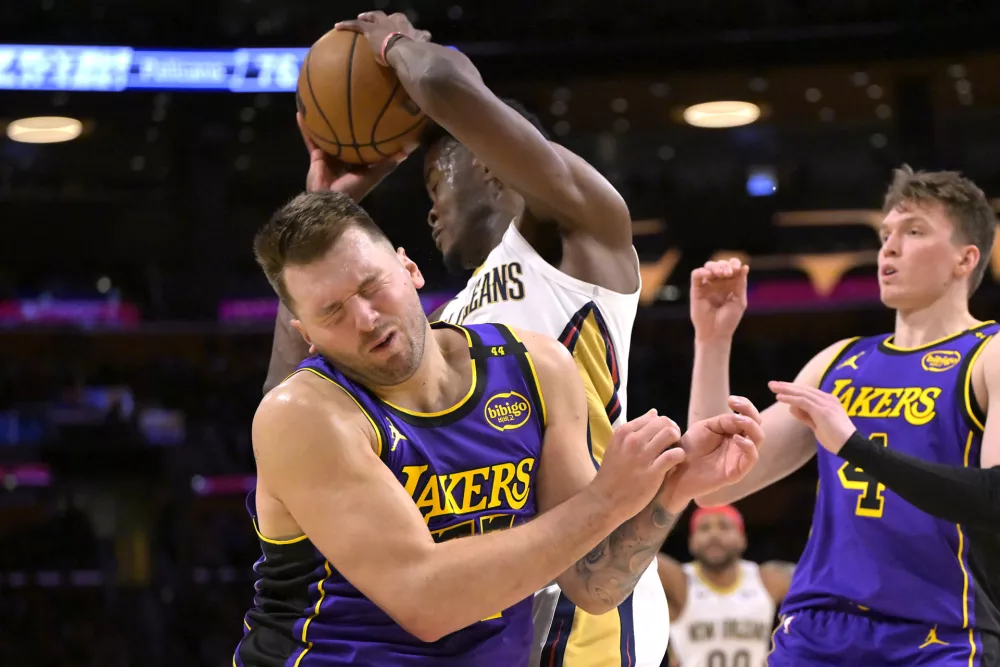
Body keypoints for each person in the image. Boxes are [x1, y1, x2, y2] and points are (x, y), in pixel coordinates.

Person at [264, 11, 666, 667]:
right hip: (483, 581)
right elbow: (292, 412)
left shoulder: (577, 235)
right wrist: (322, 211)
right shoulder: (448, 321)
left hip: (583, 576)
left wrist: (399, 45)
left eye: (432, 182)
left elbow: (452, 93)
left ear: (487, 163)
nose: (428, 209)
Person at [237, 190, 765, 667]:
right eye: (333, 313)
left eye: (372, 287)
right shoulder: (305, 415)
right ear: (306, 335)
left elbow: (593, 582)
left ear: (410, 268)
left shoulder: (535, 366)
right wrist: (607, 498)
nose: (367, 319)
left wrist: (669, 489)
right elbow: (427, 600)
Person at [687, 166, 1000, 666]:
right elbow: (712, 484)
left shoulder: (988, 355)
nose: (889, 248)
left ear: (966, 258)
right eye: (885, 235)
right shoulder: (839, 362)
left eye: (914, 231)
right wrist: (712, 340)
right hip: (817, 628)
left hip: (939, 633)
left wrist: (855, 445)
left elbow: (993, 500)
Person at [657, 505, 794, 667]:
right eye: (704, 528)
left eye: (725, 526)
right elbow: (635, 554)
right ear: (691, 542)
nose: (714, 535)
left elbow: (820, 578)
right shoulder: (680, 582)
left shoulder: (768, 579)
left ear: (743, 539)